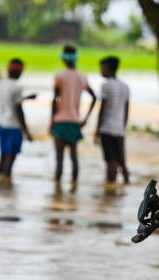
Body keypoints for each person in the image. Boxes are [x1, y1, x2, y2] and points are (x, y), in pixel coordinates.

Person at [50, 45, 96, 185]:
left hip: (60, 121)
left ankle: (57, 190)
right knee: (74, 158)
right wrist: (86, 118)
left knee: (59, 159)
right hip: (75, 121)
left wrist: (52, 121)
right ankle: (74, 186)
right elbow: (94, 97)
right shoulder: (82, 77)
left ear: (64, 58)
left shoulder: (59, 76)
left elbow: (55, 100)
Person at [0, 58, 36, 181]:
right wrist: (26, 131)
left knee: (3, 156)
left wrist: (25, 98)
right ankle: (5, 185)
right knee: (10, 158)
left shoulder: (0, 84)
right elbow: (18, 110)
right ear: (19, 72)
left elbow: (9, 101)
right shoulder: (17, 88)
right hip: (14, 127)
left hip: (2, 125)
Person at [95, 56, 130, 183]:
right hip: (119, 128)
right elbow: (126, 110)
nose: (101, 70)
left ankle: (110, 189)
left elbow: (102, 110)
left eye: (102, 67)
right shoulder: (125, 86)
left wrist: (97, 130)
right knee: (121, 160)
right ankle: (127, 182)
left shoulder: (106, 85)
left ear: (108, 69)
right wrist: (123, 126)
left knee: (110, 161)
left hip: (107, 127)